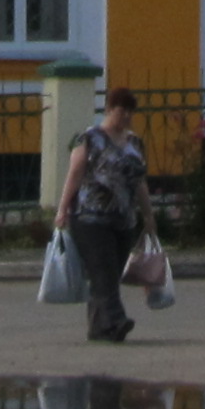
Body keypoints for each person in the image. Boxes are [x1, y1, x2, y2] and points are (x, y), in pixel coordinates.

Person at [52, 88, 152, 345]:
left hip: (123, 220)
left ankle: (99, 329)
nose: (127, 116)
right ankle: (117, 320)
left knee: (108, 275)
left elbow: (139, 182)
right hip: (90, 218)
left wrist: (149, 216)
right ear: (108, 109)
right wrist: (62, 209)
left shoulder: (134, 143)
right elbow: (74, 175)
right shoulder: (89, 138)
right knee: (104, 271)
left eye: (131, 111)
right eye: (122, 110)